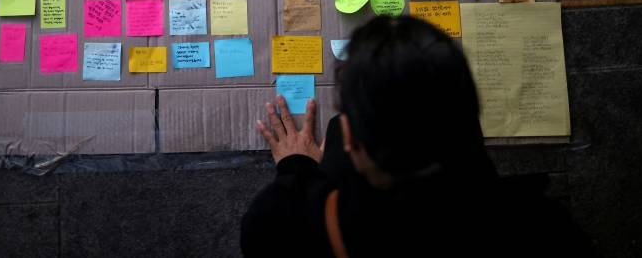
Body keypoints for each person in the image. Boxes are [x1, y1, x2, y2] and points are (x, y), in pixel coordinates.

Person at [240, 15, 597, 258]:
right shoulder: (545, 230)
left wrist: (296, 166)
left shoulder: (277, 225)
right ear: (469, 119)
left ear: (348, 139)